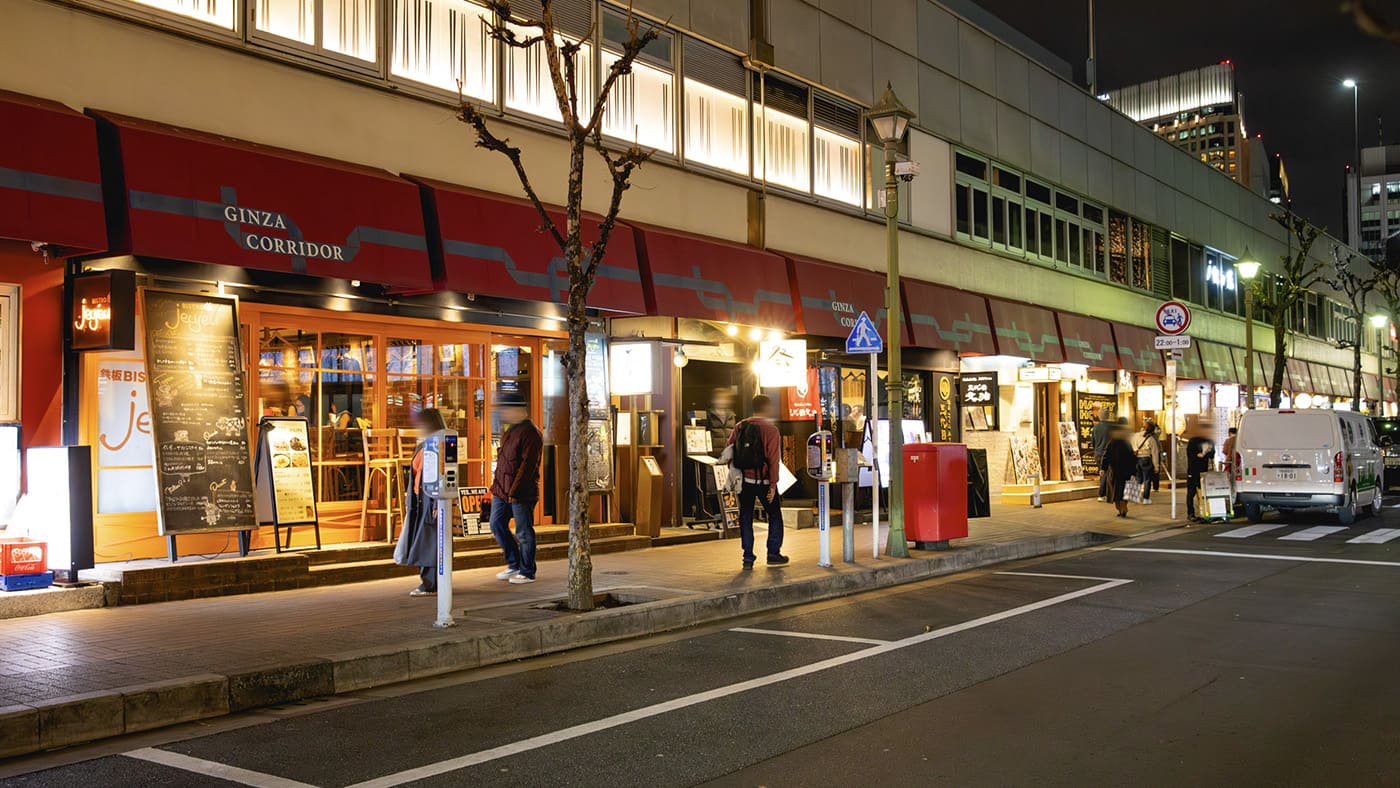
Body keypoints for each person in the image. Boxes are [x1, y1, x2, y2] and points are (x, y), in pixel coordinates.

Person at [725, 394, 789, 568]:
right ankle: (773, 553)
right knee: (774, 515)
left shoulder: (740, 426)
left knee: (746, 517)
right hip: (764, 482)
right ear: (767, 408)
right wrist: (774, 485)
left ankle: (747, 556)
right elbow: (773, 459)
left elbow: (729, 449)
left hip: (744, 482)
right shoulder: (771, 430)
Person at [490, 393, 543, 584]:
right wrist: (496, 488)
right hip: (501, 491)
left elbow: (528, 466)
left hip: (521, 492)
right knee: (496, 524)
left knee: (523, 531)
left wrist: (515, 491)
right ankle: (514, 564)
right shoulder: (510, 431)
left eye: (506, 409)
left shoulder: (531, 433)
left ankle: (527, 571)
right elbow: (503, 462)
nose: (503, 413)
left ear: (518, 409)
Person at [396, 408, 448, 597]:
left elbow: (440, 474)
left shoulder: (439, 444)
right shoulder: (425, 444)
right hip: (420, 499)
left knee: (429, 541)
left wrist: (436, 504)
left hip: (431, 498)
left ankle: (430, 583)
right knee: (423, 540)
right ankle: (429, 582)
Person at [1104, 420, 1139, 518]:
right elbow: (1132, 458)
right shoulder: (1126, 443)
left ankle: (1120, 509)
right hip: (1126, 472)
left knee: (1116, 493)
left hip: (1115, 472)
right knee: (1124, 491)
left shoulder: (1112, 443)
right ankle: (1124, 508)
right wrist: (1134, 470)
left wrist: (1103, 468)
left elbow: (1106, 456)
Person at [1186, 427, 1216, 522]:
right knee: (1191, 492)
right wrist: (1199, 454)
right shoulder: (1193, 441)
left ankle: (1203, 512)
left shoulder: (1209, 440)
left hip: (1203, 471)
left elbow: (1212, 454)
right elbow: (1190, 454)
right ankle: (1191, 513)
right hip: (1193, 470)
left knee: (1203, 492)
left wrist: (1207, 452)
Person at [1132, 420, 1162, 504]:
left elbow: (1132, 446)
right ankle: (1146, 498)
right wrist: (1156, 466)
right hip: (1146, 459)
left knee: (1138, 479)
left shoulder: (1136, 435)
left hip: (1137, 459)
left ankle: (1136, 497)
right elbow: (1155, 453)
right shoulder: (1151, 439)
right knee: (1147, 479)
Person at [1090, 407, 1112, 501]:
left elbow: (1093, 442)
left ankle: (1104, 493)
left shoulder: (1095, 428)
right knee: (1106, 473)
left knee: (1102, 471)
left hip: (1098, 453)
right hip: (1107, 453)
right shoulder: (1110, 428)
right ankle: (1102, 493)